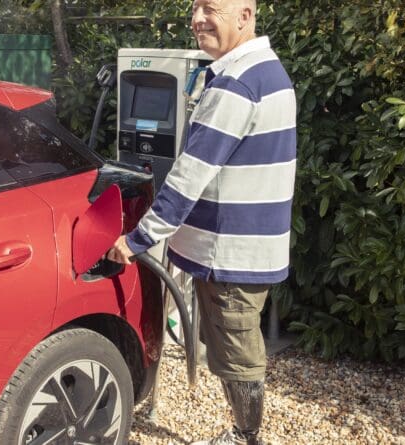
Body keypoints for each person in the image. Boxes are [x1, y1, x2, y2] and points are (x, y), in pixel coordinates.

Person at [106, 0, 296, 443]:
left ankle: (245, 436)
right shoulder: (265, 71)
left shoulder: (238, 82)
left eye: (211, 8)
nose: (197, 19)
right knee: (232, 346)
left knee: (237, 353)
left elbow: (191, 173)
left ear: (245, 17)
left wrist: (139, 238)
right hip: (239, 243)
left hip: (229, 250)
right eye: (194, 8)